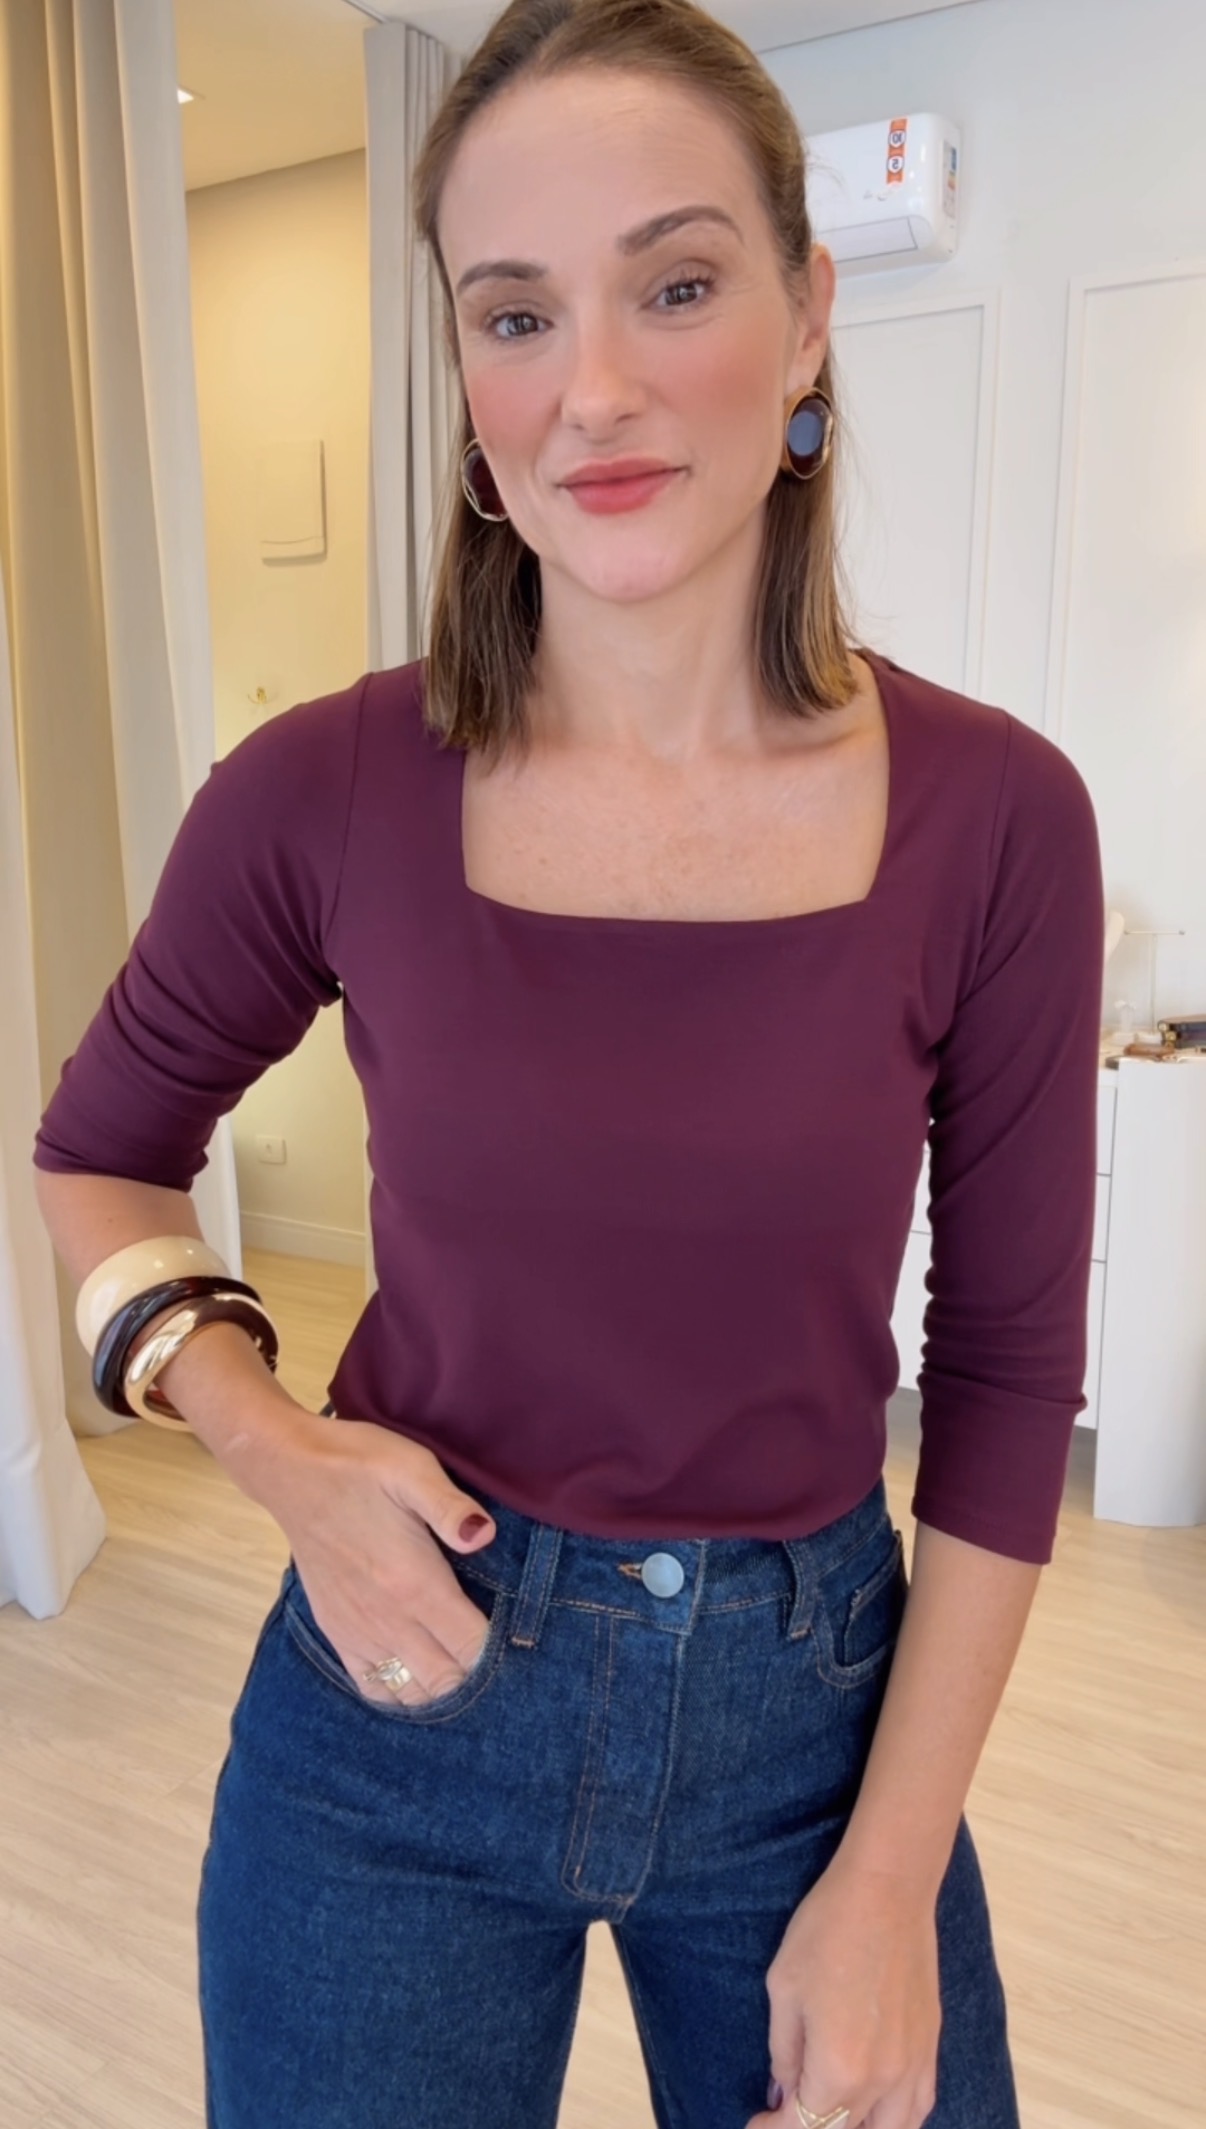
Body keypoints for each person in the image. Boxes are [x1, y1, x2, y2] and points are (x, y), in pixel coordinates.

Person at [31, 0, 1105, 2124]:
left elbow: (999, 1377)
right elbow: (98, 1155)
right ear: (466, 375)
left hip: (815, 1730)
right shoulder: (320, 789)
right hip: (395, 1701)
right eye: (514, 315)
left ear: (806, 315)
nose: (591, 387)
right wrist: (274, 1449)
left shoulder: (996, 817)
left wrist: (890, 1881)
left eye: (675, 286)